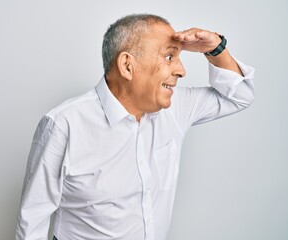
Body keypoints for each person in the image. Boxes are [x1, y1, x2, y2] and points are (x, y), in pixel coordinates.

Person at [15, 14, 254, 240]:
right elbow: (32, 222)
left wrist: (215, 49)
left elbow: (239, 96)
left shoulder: (175, 108)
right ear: (127, 65)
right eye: (169, 57)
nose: (181, 71)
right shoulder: (63, 125)